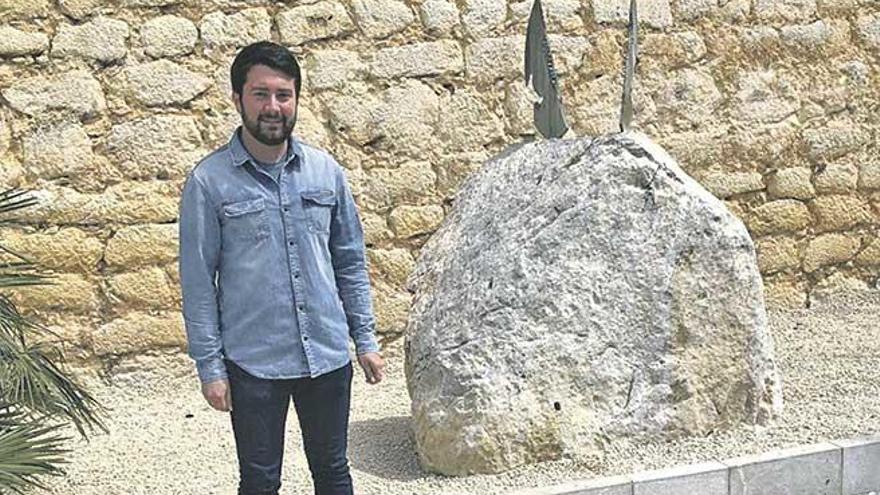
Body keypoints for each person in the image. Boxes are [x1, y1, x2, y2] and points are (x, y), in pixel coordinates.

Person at [178, 40, 385, 495]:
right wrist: (210, 368)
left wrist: (365, 339)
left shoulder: (326, 172)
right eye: (260, 94)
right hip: (253, 364)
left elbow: (349, 260)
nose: (273, 107)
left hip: (327, 356)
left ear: (295, 99)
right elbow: (197, 282)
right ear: (238, 100)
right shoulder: (209, 182)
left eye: (283, 95)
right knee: (259, 481)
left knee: (333, 471)